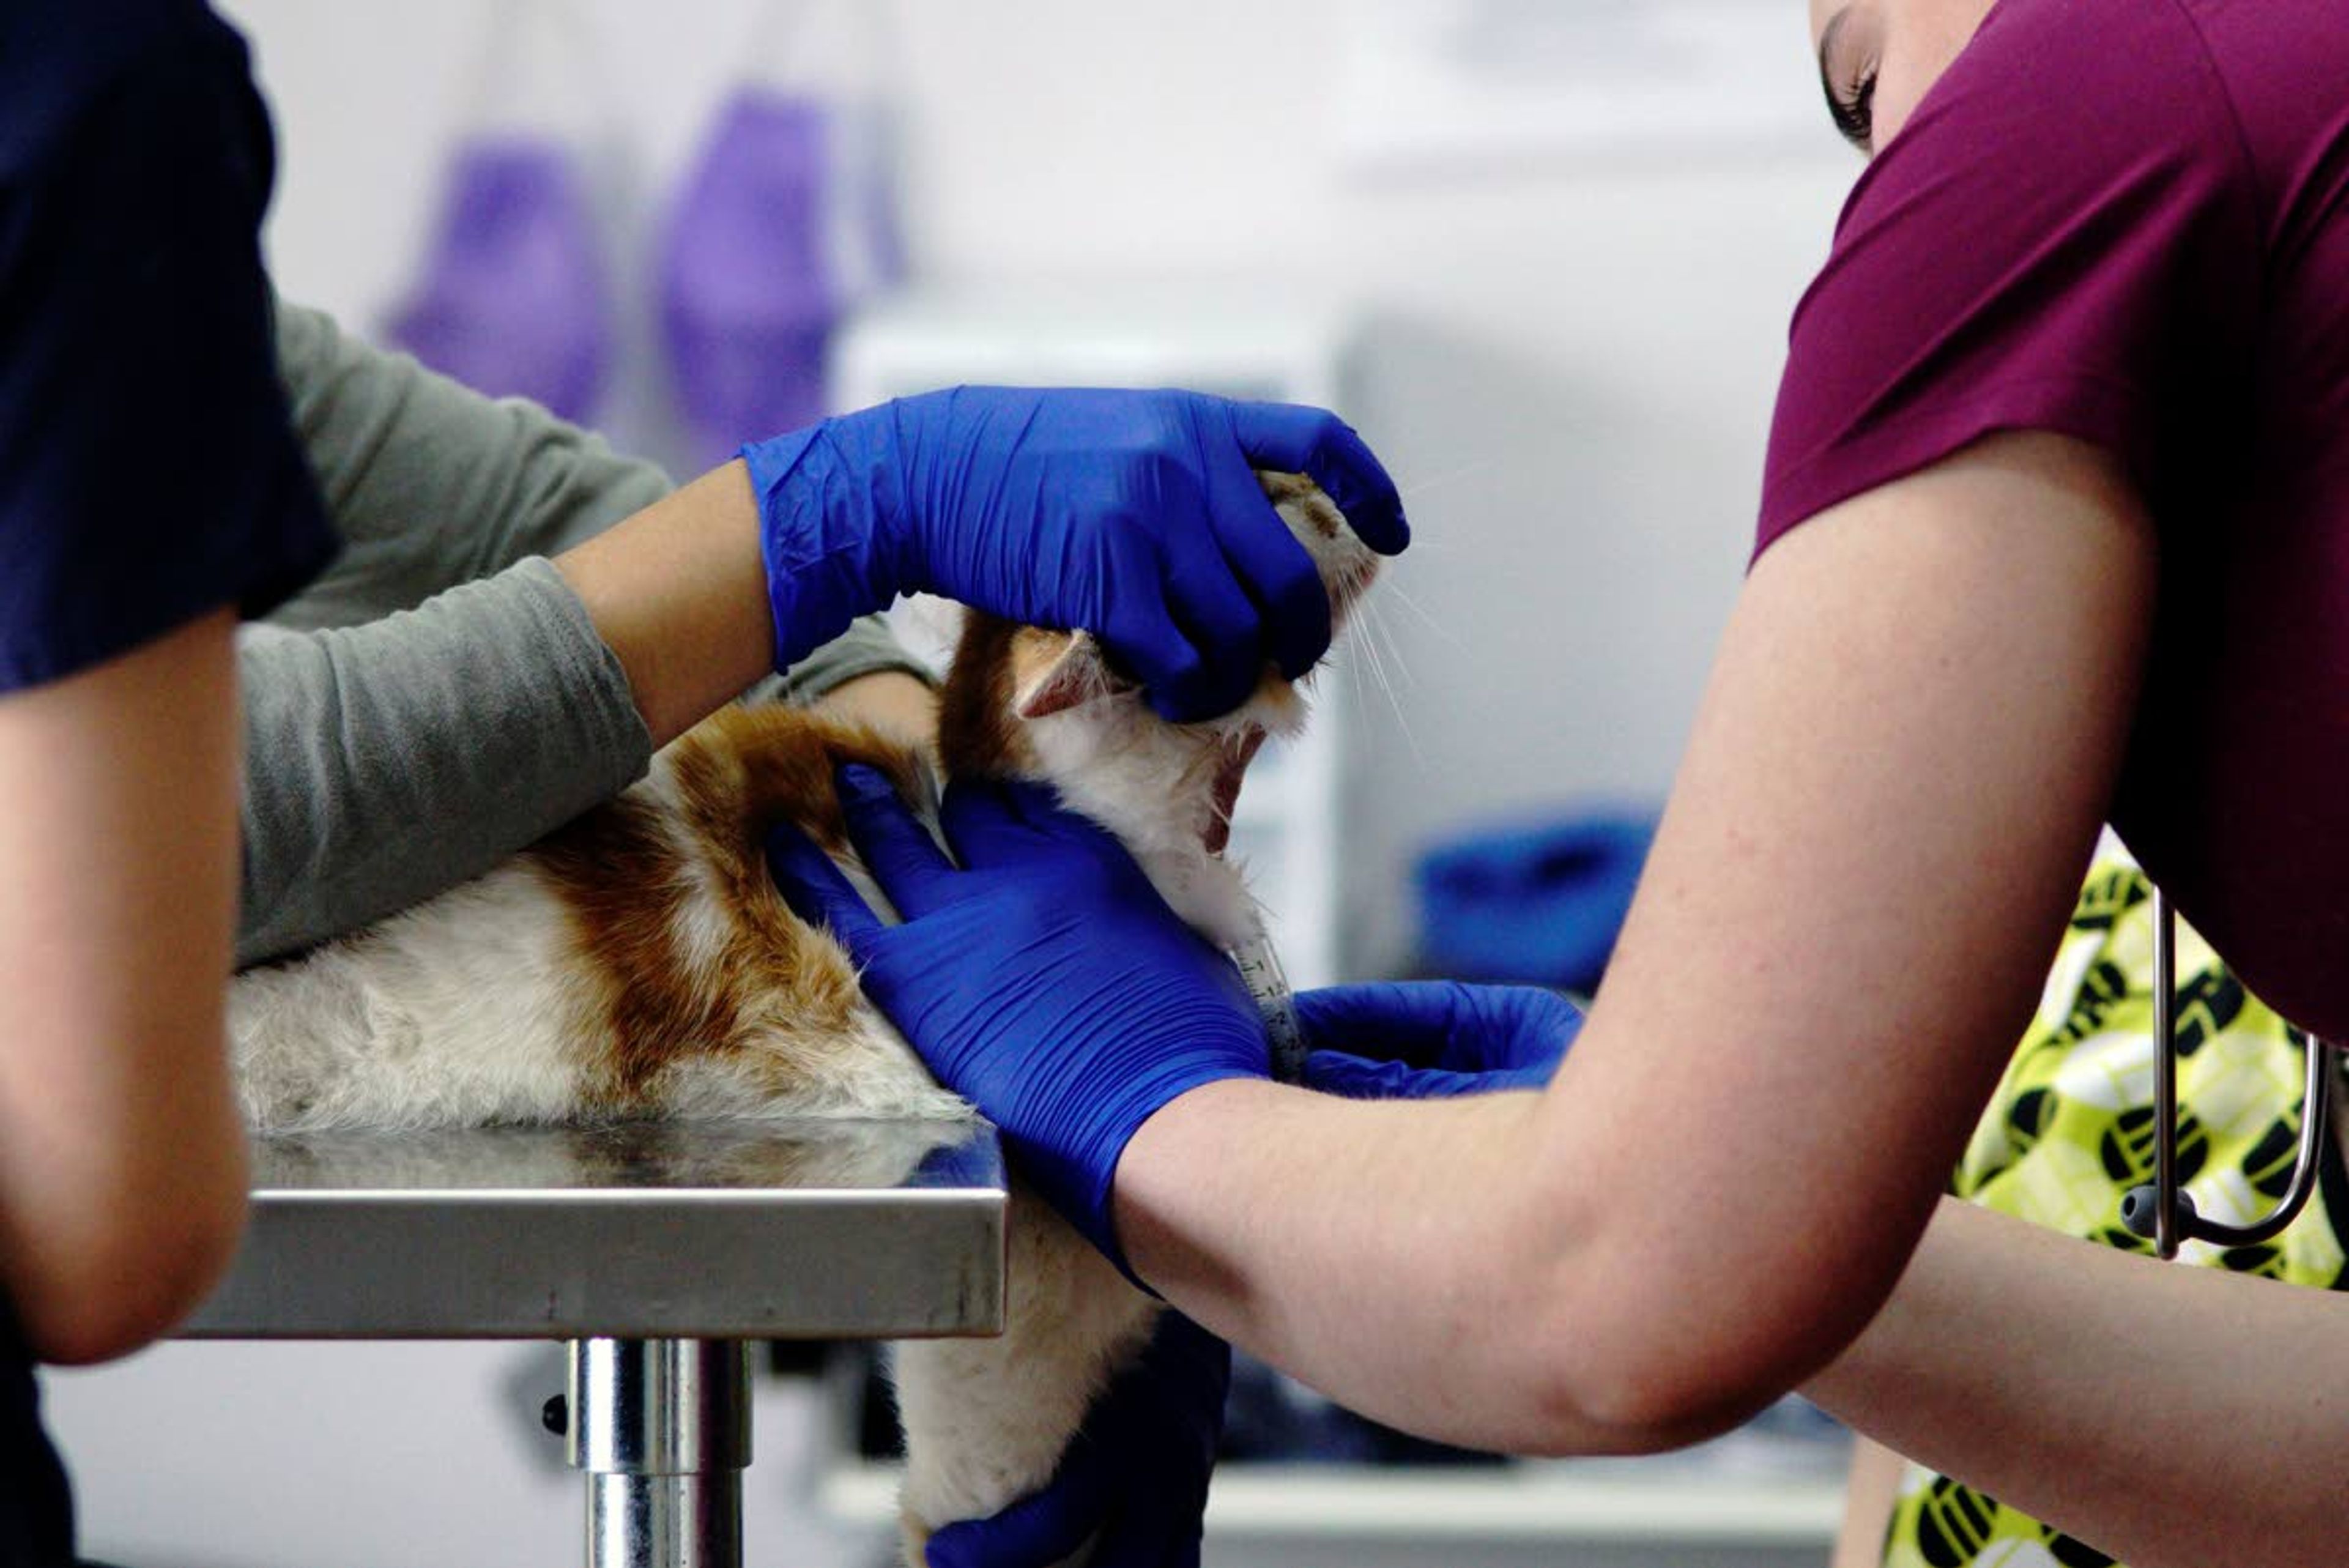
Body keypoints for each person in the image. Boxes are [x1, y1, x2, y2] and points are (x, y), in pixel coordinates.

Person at [765, 0, 2349, 1563]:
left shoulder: (2081, 113)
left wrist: (1143, 1118)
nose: (1880, 171)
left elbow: (1607, 1303)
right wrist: (1754, 1216)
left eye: (1854, 83)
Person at [0, 7, 1406, 1565]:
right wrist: (856, 505)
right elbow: (143, 885)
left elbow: (552, 513)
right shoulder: (86, 89)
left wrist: (926, 801)